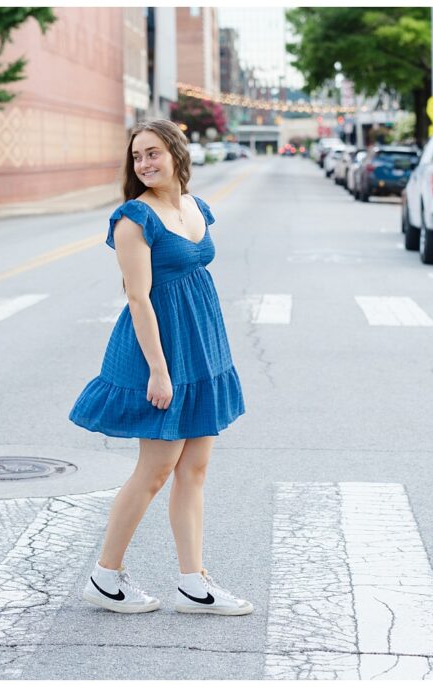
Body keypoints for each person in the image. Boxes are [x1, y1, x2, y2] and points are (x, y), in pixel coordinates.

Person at [69, 119, 250, 616]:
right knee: (155, 469)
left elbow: (195, 273)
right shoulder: (134, 219)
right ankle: (105, 576)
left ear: (176, 152)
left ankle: (194, 583)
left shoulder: (196, 207)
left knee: (195, 468)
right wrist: (158, 370)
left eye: (153, 153)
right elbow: (137, 296)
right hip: (161, 350)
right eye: (137, 156)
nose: (145, 163)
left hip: (202, 346)